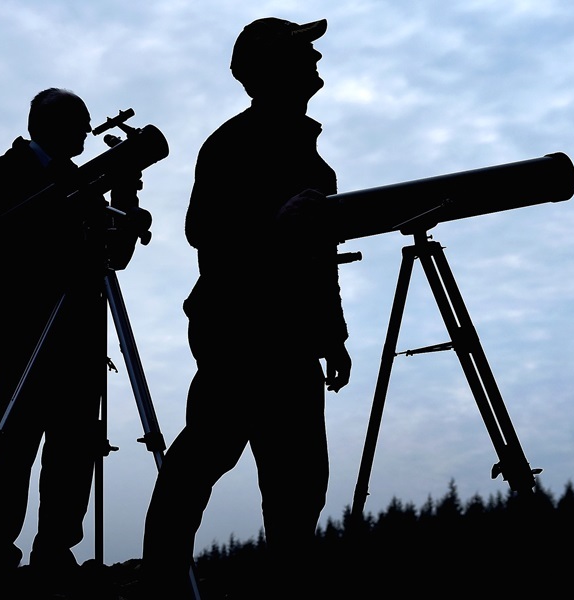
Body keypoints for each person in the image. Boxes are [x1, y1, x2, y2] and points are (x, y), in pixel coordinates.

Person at [140, 17, 352, 597]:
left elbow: (321, 257)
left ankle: (288, 584)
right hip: (239, 330)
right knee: (208, 451)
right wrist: (274, 224)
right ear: (271, 69)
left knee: (301, 480)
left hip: (295, 338)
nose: (316, 60)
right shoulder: (232, 144)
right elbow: (200, 229)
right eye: (303, 52)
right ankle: (160, 579)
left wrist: (333, 334)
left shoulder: (313, 161)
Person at [0, 88, 112, 575]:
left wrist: (125, 204)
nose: (89, 131)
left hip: (82, 332)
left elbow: (112, 258)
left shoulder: (81, 180)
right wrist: (47, 264)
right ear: (50, 124)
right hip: (28, 329)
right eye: (81, 121)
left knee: (75, 442)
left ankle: (55, 550)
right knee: (14, 439)